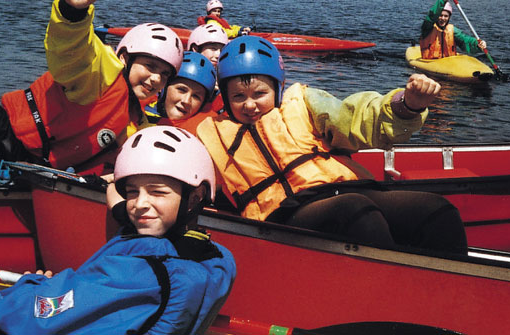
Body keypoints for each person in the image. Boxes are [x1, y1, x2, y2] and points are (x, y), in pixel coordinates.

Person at [196, 36, 468, 255]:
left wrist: (406, 105)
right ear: (226, 97)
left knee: (436, 210)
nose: (250, 104)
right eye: (238, 96)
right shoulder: (212, 134)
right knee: (355, 211)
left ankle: (454, 298)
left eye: (260, 93)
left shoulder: (303, 103)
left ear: (278, 88)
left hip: (342, 189)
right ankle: (392, 301)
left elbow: (358, 120)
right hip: (282, 215)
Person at [0, 126, 236, 335]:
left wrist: (30, 285)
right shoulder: (216, 259)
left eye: (157, 191)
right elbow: (121, 202)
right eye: (133, 191)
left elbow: (37, 317)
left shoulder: (140, 271)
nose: (139, 204)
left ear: (194, 198)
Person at [0, 0, 183, 174]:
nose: (156, 78)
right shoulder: (99, 73)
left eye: (165, 75)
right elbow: (71, 47)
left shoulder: (135, 118)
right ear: (124, 58)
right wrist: (72, 13)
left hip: (26, 166)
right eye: (150, 66)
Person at [143, 52, 219, 134]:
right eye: (182, 90)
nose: (186, 101)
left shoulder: (205, 133)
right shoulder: (139, 112)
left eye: (196, 96)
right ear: (164, 87)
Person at [420, 0, 487, 59]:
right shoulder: (427, 28)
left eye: (446, 16)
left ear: (449, 17)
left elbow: (465, 41)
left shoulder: (452, 30)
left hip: (449, 63)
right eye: (440, 15)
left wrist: (477, 44)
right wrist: (442, 1)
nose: (443, 18)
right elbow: (432, 16)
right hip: (430, 63)